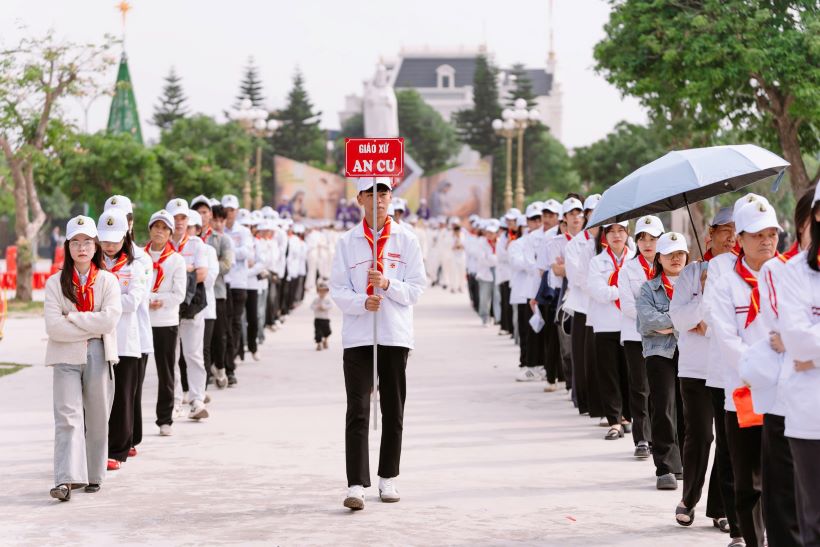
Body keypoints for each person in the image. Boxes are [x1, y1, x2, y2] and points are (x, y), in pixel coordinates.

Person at [330, 176, 427, 511]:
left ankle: (388, 477)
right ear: (360, 199)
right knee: (358, 408)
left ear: (391, 197)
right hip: (358, 336)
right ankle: (356, 484)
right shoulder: (347, 242)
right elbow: (337, 289)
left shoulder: (407, 239)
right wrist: (362, 302)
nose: (378, 199)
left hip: (394, 334)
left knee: (393, 409)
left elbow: (416, 289)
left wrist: (387, 284)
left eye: (383, 192)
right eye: (371, 193)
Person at [738, 189, 814, 547]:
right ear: (802, 225)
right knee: (785, 502)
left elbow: (799, 339)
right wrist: (802, 343)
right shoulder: (778, 270)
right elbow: (784, 331)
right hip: (787, 396)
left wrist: (808, 346)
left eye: (770, 233)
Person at [710, 199, 782, 547]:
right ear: (739, 238)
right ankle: (753, 540)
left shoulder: (790, 277)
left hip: (787, 392)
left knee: (783, 476)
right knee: (749, 480)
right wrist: (765, 368)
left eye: (771, 234)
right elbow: (728, 341)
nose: (766, 241)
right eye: (757, 235)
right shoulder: (725, 285)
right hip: (744, 392)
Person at [45, 215, 122, 501]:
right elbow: (53, 327)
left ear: (95, 245)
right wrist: (91, 323)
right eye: (75, 242)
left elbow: (109, 320)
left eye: (87, 242)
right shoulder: (55, 283)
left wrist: (73, 317)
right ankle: (65, 480)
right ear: (67, 246)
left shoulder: (108, 281)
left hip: (99, 352)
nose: (81, 248)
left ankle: (94, 475)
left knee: (98, 415)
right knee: (67, 417)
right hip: (64, 354)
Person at [670, 209, 735, 535]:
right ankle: (689, 498)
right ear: (710, 234)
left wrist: (706, 325)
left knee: (727, 440)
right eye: (725, 230)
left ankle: (721, 508)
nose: (731, 237)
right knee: (700, 435)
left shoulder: (742, 273)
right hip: (695, 368)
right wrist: (706, 297)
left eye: (738, 231)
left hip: (727, 368)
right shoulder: (692, 273)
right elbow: (679, 319)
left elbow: (732, 323)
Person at [776, 184, 820, 547]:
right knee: (815, 522)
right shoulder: (793, 273)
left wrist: (812, 355)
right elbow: (797, 339)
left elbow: (807, 344)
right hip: (810, 414)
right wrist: (803, 347)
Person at [636, 232, 687, 493]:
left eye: (680, 254)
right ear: (659, 258)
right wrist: (682, 321)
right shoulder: (648, 288)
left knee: (687, 407)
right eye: (669, 254)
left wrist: (667, 323)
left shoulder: (695, 285)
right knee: (664, 405)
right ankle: (666, 467)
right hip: (659, 353)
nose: (675, 259)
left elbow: (702, 313)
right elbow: (647, 322)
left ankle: (686, 462)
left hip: (691, 352)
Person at [97, 209, 147, 472]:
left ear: (125, 237)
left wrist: (106, 303)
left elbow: (134, 301)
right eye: (105, 240)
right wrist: (114, 301)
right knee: (97, 397)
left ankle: (117, 450)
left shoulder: (135, 265)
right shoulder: (93, 264)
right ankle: (95, 448)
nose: (109, 246)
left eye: (114, 240)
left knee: (123, 398)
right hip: (98, 338)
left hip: (126, 341)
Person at [618, 215, 664, 458]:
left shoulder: (669, 266)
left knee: (661, 389)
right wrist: (656, 321)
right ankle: (642, 438)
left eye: (653, 238)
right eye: (642, 238)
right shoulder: (628, 269)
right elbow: (626, 305)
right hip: (636, 336)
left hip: (665, 338)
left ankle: (661, 437)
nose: (647, 244)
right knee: (639, 387)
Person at [588, 221, 634, 440]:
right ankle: (614, 421)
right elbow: (598, 292)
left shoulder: (634, 260)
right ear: (604, 236)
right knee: (609, 374)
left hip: (629, 324)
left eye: (620, 231)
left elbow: (641, 289)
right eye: (611, 231)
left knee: (629, 372)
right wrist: (624, 290)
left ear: (627, 233)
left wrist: (614, 290)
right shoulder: (596, 262)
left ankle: (627, 416)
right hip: (605, 325)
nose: (616, 235)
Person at [166, 199, 210, 420]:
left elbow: (202, 274)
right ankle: (174, 401)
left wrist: (176, 273)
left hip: (192, 306)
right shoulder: (161, 244)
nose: (179, 222)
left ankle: (197, 399)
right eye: (175, 218)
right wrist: (187, 269)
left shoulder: (196, 244)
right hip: (168, 308)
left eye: (183, 217)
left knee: (193, 354)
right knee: (171, 357)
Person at [146, 209, 187, 436]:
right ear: (150, 230)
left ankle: (165, 418)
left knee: (166, 371)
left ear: (170, 233)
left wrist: (158, 300)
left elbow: (178, 294)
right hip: (143, 320)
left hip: (166, 321)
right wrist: (148, 300)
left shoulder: (176, 260)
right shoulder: (140, 257)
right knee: (137, 372)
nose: (159, 232)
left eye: (164, 228)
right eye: (156, 227)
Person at [192, 197, 234, 390]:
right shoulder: (189, 238)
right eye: (198, 212)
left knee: (220, 335)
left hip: (216, 292)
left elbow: (227, 263)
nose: (202, 216)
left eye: (205, 212)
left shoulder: (220, 239)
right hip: (192, 294)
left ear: (210, 214)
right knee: (201, 340)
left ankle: (223, 367)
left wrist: (207, 269)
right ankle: (204, 375)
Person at [222, 194, 254, 386]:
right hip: (223, 282)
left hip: (239, 282)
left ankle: (231, 361)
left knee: (235, 323)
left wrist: (228, 249)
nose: (229, 213)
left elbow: (247, 252)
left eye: (232, 210)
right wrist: (234, 250)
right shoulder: (218, 229)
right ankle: (223, 362)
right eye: (226, 210)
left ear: (237, 211)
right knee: (224, 325)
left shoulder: (243, 231)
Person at [475, 219, 500, 327]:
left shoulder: (501, 242)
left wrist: (491, 258)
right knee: (484, 298)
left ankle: (498, 318)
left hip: (498, 273)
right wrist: (495, 259)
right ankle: (485, 317)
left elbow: (503, 257)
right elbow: (482, 259)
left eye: (492, 232)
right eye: (488, 232)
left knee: (497, 296)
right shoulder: (481, 243)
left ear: (497, 233)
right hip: (485, 273)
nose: (489, 234)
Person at [311, 279, 333, 350]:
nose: (322, 293)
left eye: (324, 291)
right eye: (320, 291)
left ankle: (325, 340)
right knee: (318, 332)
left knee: (327, 331)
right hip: (318, 319)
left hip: (325, 319)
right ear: (318, 292)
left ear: (326, 292)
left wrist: (324, 307)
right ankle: (319, 344)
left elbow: (331, 306)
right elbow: (311, 306)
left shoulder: (327, 300)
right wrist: (316, 307)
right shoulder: (316, 300)